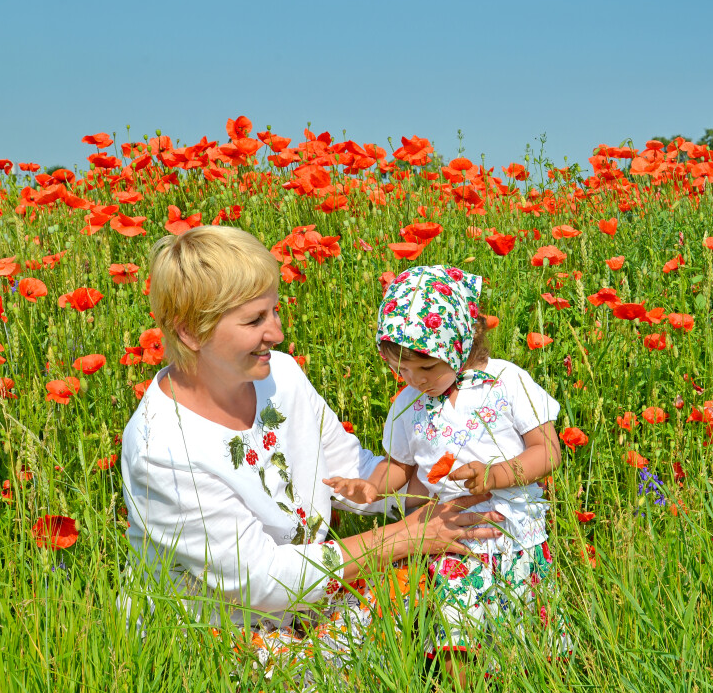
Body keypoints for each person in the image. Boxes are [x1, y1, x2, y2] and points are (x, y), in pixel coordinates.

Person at [119, 226, 503, 677]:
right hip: (222, 630)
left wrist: (451, 477)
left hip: (311, 599)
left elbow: (351, 472)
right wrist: (406, 536)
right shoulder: (162, 448)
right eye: (254, 321)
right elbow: (261, 581)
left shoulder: (280, 376)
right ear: (190, 332)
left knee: (459, 563)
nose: (277, 334)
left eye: (275, 311)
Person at [324, 264, 569, 684]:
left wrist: (495, 475)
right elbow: (399, 468)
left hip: (519, 538)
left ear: (459, 344)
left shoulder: (506, 382)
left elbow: (547, 451)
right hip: (452, 542)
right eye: (402, 370)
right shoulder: (406, 406)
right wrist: (368, 486)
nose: (415, 381)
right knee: (456, 639)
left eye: (426, 368)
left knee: (527, 645)